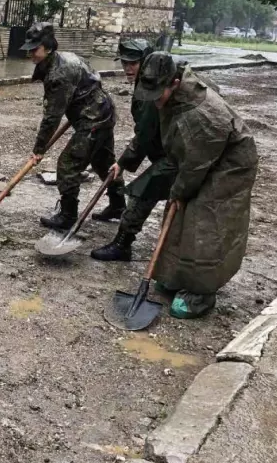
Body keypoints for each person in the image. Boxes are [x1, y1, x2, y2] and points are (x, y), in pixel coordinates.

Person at [134, 53, 258, 319]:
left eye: (158, 94)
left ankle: (201, 292)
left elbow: (195, 166)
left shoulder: (200, 115)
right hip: (199, 158)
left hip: (229, 166)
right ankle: (174, 274)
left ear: (175, 83)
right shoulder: (175, 95)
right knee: (178, 214)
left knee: (205, 220)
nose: (155, 100)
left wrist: (179, 191)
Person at [20, 22, 125, 231]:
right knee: (104, 162)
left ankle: (68, 215)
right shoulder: (62, 58)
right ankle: (118, 206)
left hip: (94, 119)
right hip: (102, 111)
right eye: (29, 50)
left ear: (48, 48)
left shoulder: (59, 73)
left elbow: (52, 116)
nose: (31, 54)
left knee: (68, 164)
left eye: (35, 50)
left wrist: (38, 149)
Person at [91, 39, 177, 262]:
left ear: (146, 63)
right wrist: (123, 162)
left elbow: (146, 134)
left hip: (178, 155)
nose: (127, 68)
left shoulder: (151, 91)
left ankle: (123, 245)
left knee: (142, 192)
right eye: (124, 63)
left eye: (133, 63)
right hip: (169, 152)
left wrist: (123, 161)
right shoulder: (148, 85)